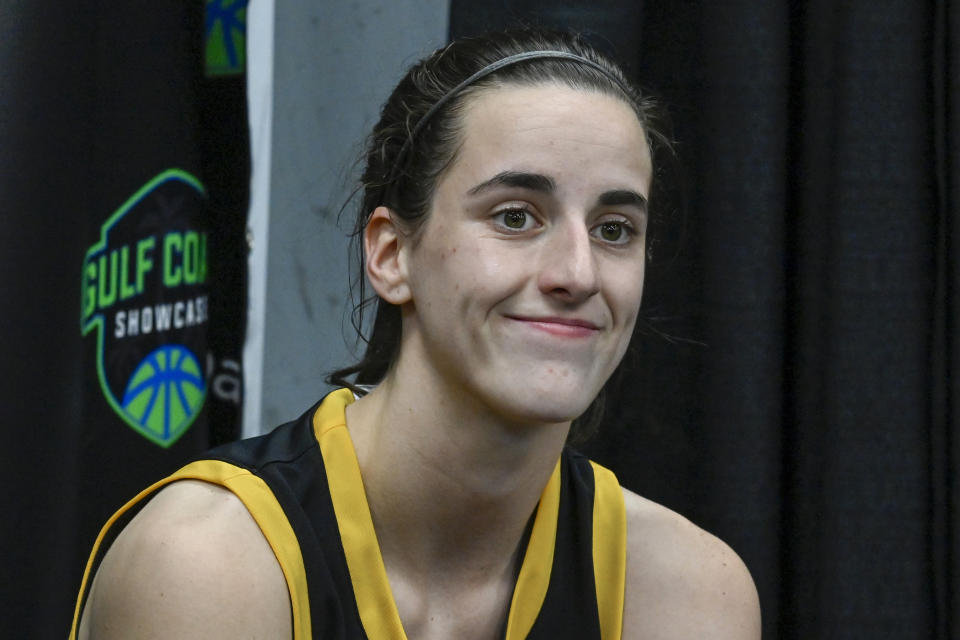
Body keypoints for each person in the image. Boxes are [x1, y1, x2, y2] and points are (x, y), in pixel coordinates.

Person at [71, 28, 761, 639]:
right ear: (391, 255)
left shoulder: (687, 594)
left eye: (615, 230)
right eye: (516, 216)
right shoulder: (211, 563)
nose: (577, 273)